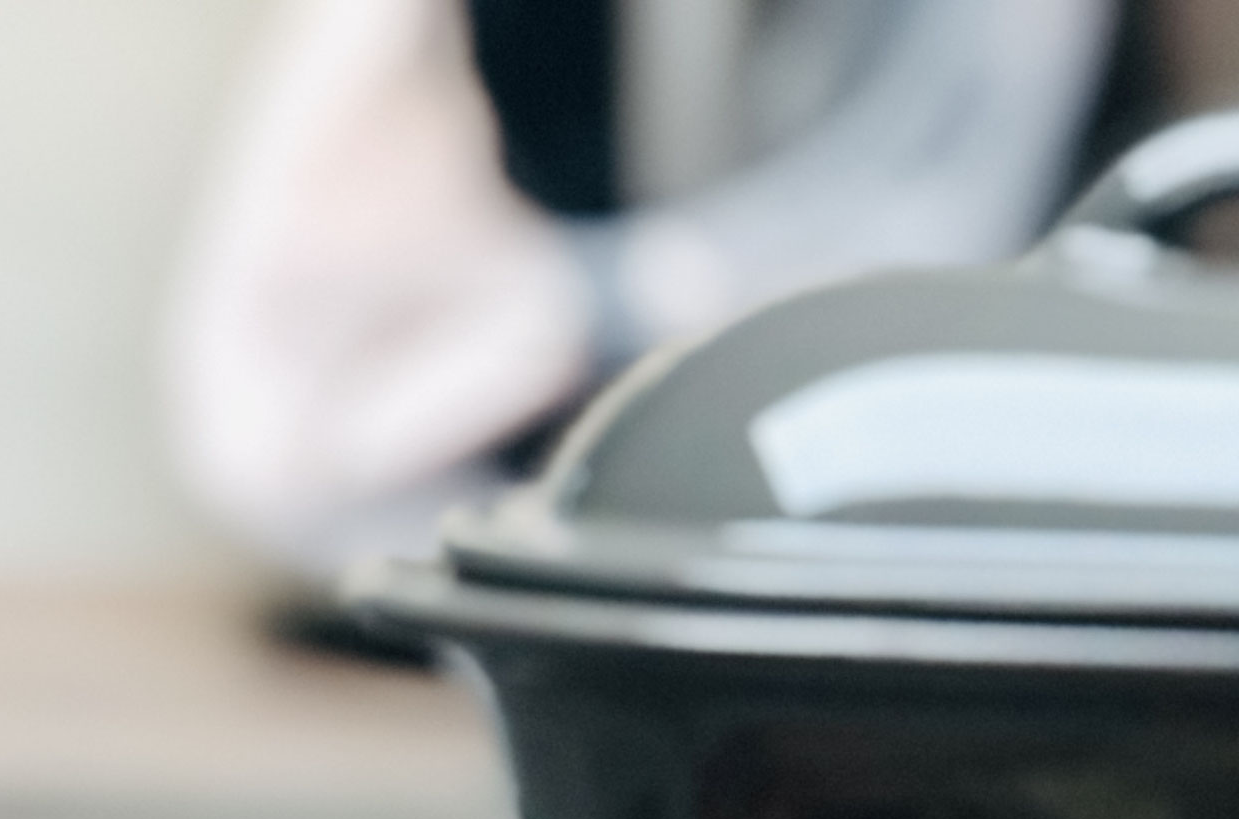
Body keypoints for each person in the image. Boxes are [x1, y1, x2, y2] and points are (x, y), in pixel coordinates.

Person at [167, 0, 1120, 574]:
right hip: (534, 554)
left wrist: (599, 303)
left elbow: (935, 258)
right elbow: (270, 435)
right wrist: (564, 314)